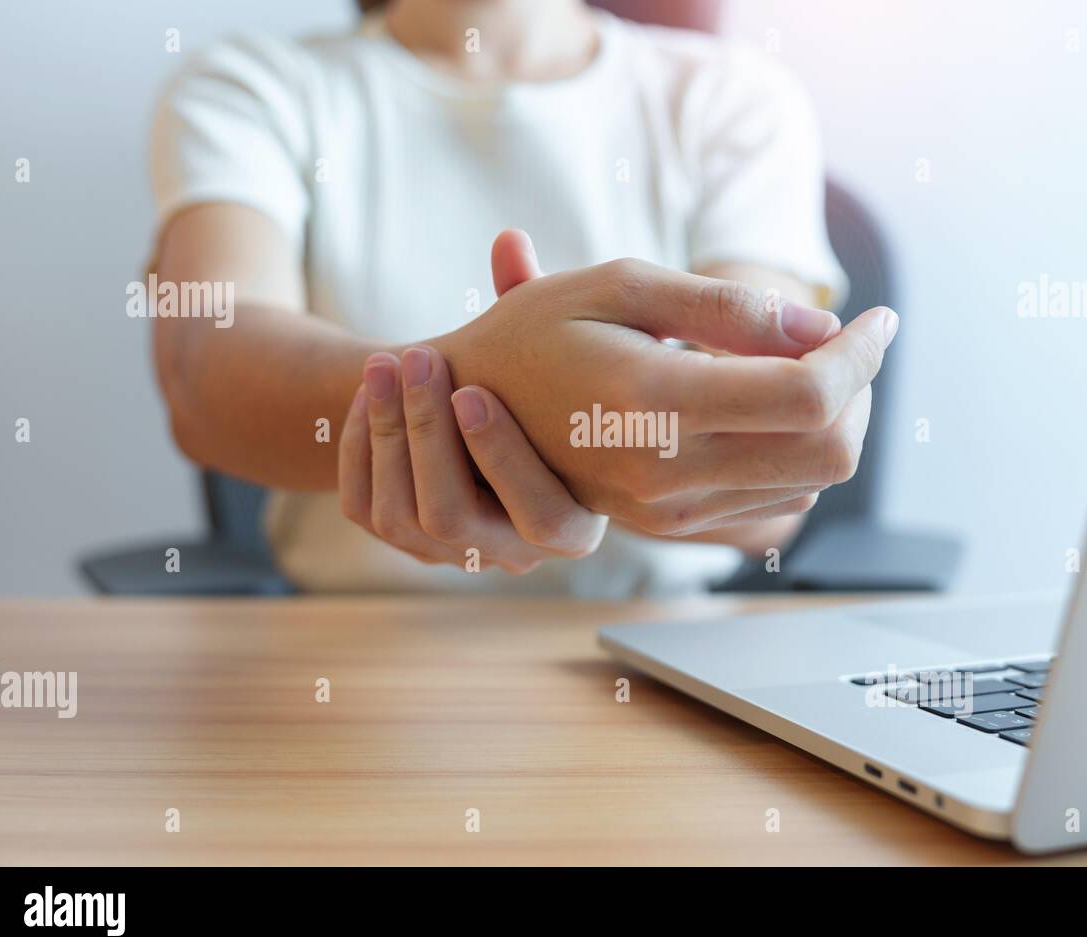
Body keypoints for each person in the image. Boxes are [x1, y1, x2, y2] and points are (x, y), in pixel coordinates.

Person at [149, 0, 897, 597]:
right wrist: (505, 392)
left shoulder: (729, 96)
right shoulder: (254, 86)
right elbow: (205, 368)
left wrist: (505, 410)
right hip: (350, 670)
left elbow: (762, 478)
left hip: (662, 670)